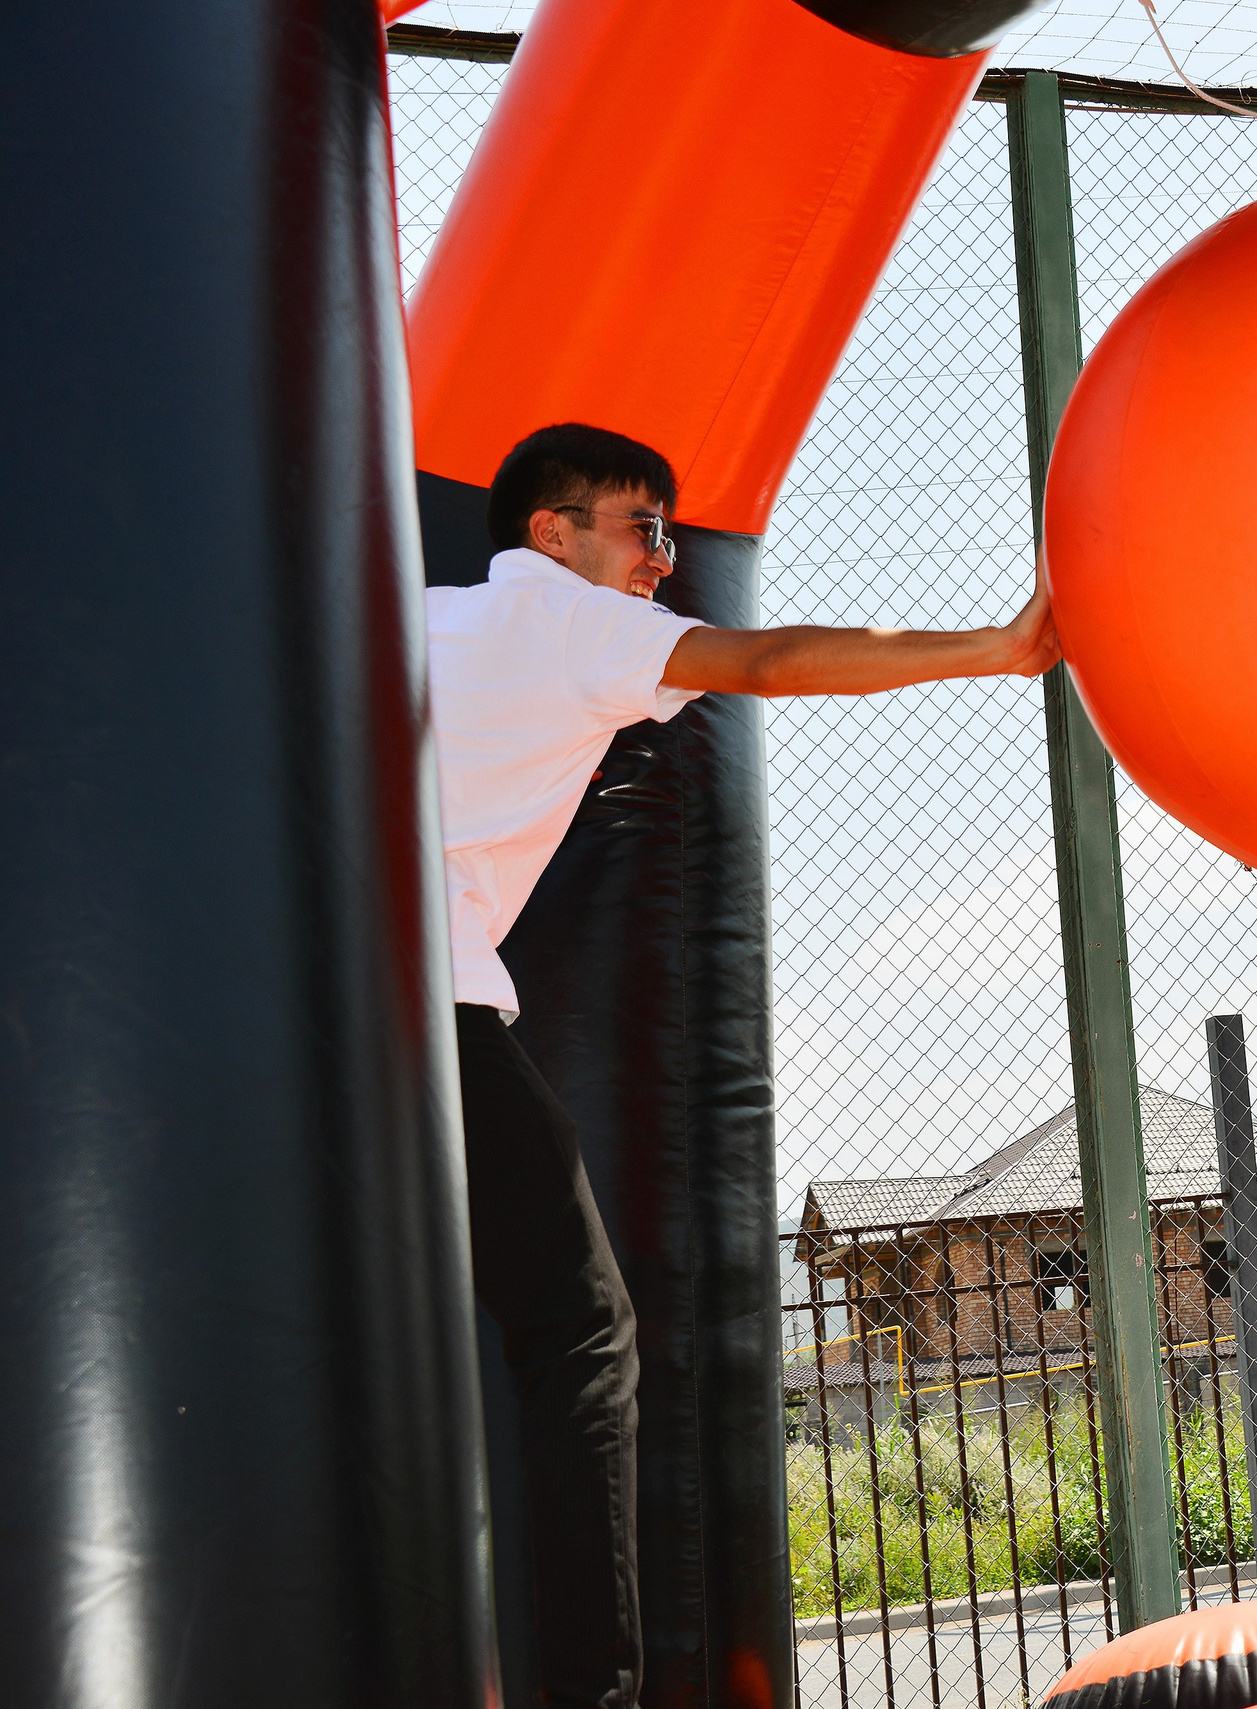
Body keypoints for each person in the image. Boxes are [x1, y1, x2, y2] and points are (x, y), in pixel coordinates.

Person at [426, 422, 1058, 1707]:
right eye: (640, 527)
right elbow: (768, 656)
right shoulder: (571, 622)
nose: (663, 559)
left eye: (669, 529)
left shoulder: (430, 614)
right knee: (585, 1332)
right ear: (552, 533)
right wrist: (1001, 645)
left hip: (318, 1013)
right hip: (430, 998)